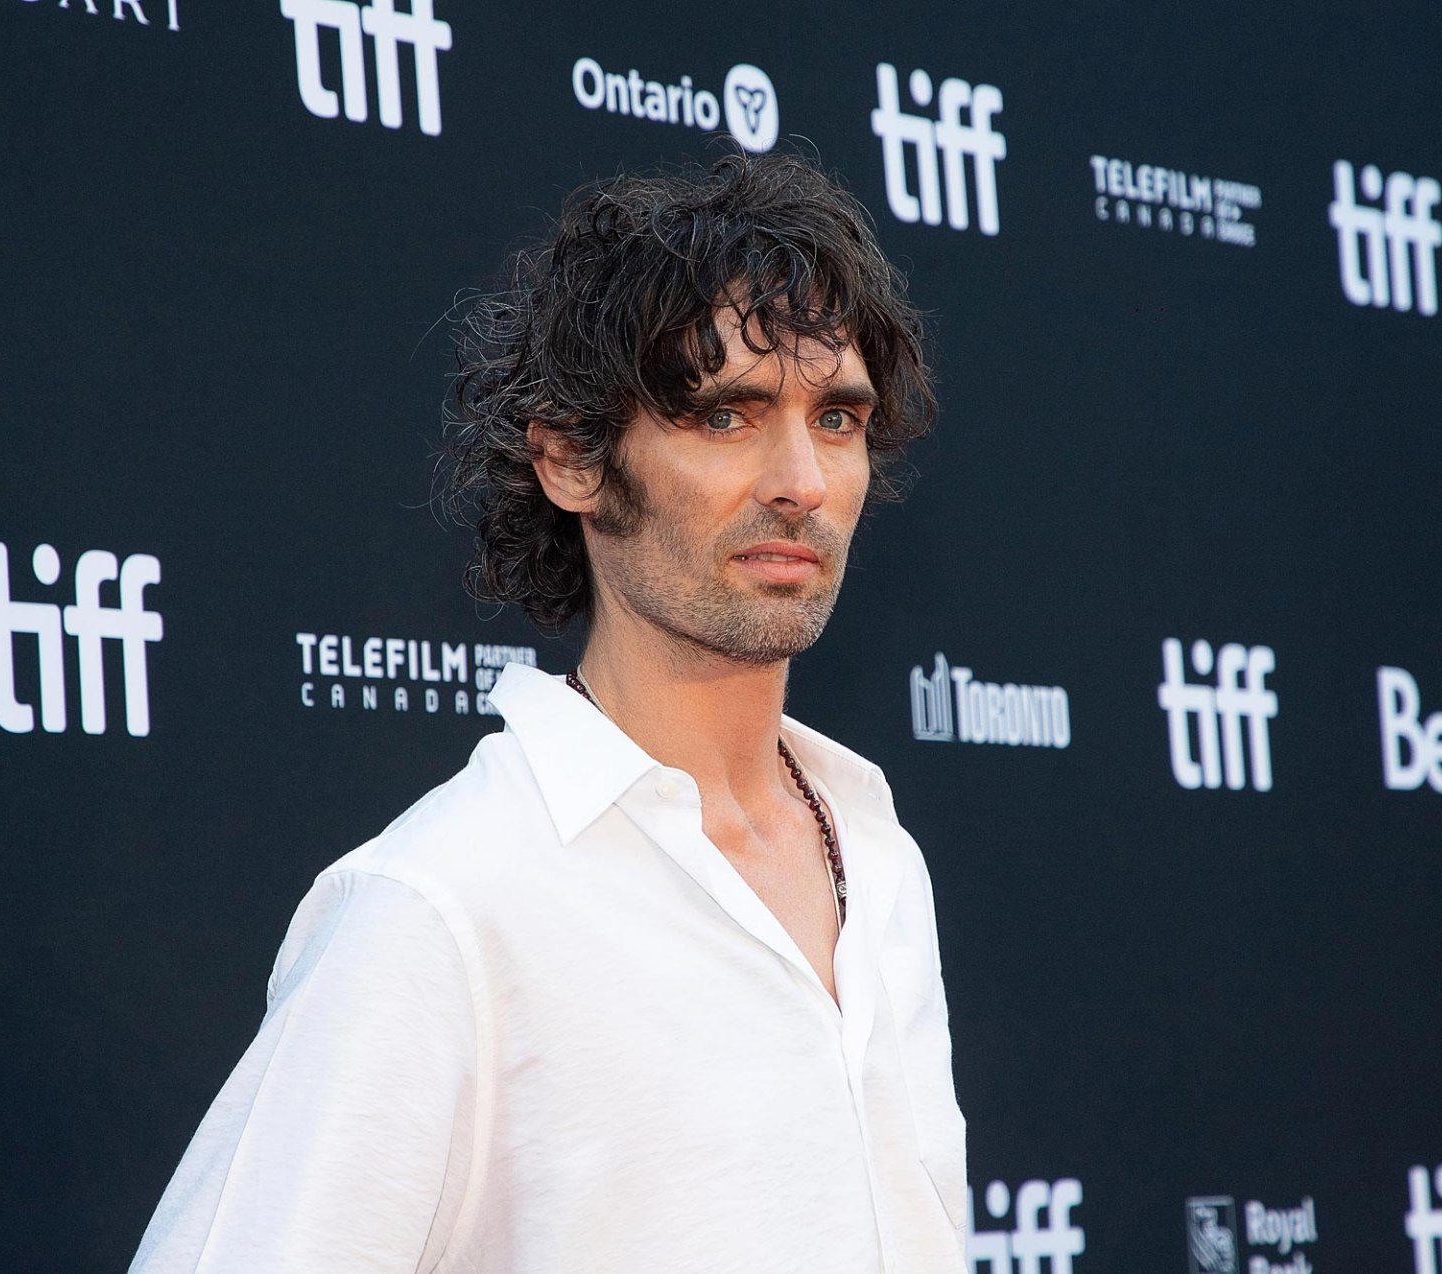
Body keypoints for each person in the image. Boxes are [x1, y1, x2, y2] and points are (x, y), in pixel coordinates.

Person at [129, 150, 966, 1273]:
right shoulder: (439, 907)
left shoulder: (878, 855)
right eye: (726, 414)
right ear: (572, 460)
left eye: (837, 418)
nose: (801, 480)